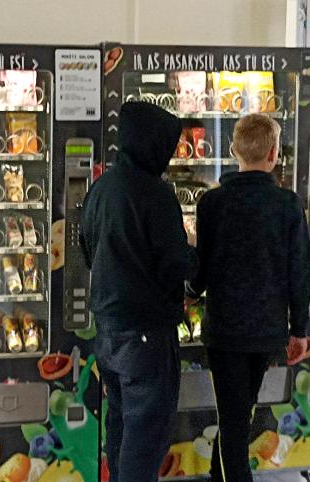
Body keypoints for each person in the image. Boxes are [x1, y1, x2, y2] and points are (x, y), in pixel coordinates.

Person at [186, 113, 310, 482]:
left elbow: (201, 271)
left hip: (224, 331)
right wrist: (300, 330)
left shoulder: (212, 203)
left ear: (232, 150)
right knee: (240, 415)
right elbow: (299, 273)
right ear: (273, 154)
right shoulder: (288, 205)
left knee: (234, 419)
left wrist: (188, 293)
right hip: (267, 331)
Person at [79, 102, 197, 482]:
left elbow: (86, 249)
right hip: (146, 336)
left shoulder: (101, 188)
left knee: (119, 425)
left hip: (107, 331)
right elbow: (175, 262)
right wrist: (198, 262)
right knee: (146, 436)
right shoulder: (155, 195)